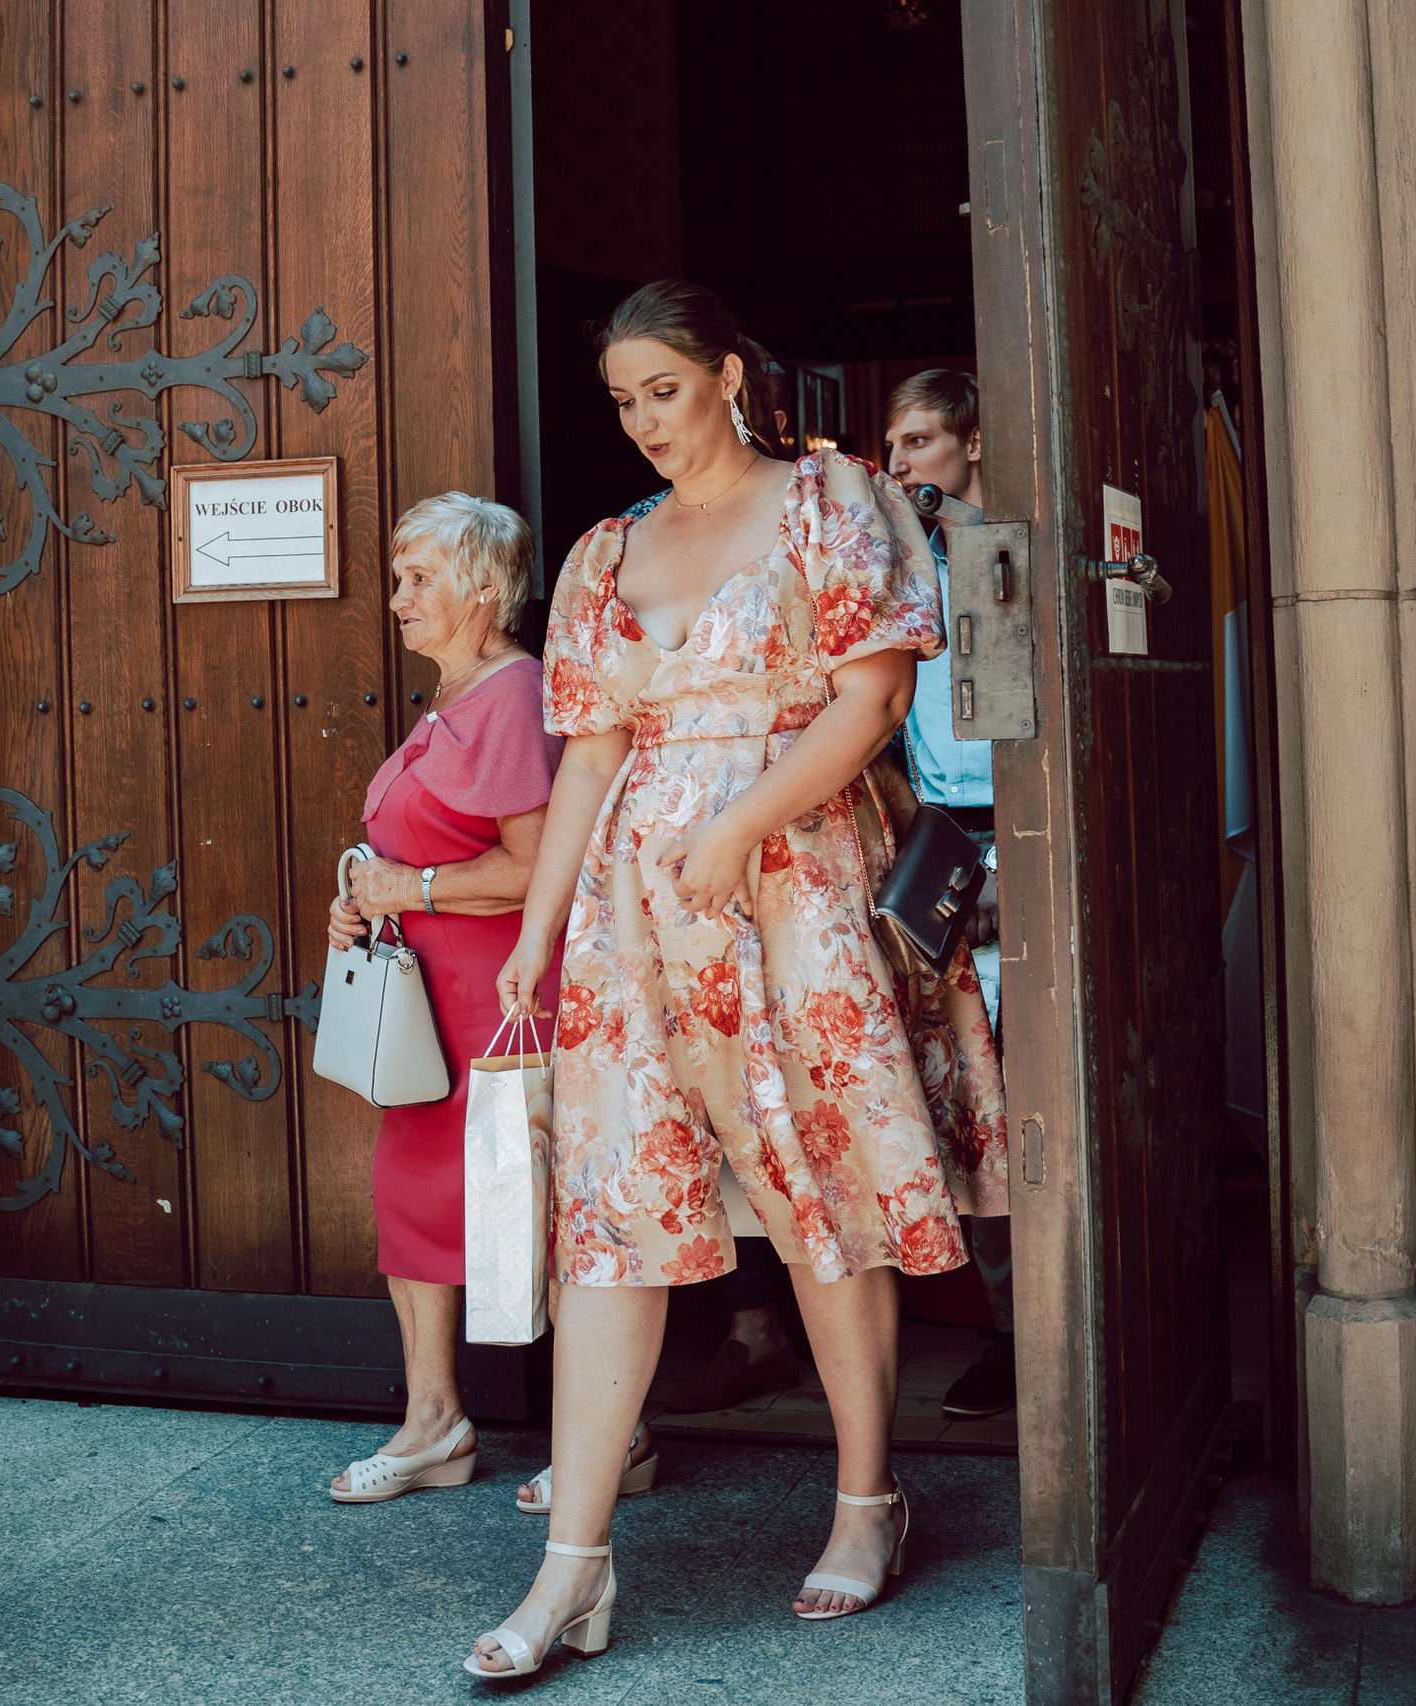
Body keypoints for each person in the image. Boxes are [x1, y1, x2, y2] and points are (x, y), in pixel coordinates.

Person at [469, 281, 1007, 1679]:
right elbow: (587, 755)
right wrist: (536, 927)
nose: (645, 419)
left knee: (821, 1192)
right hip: (632, 921)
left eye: (663, 387)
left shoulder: (833, 501)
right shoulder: (605, 552)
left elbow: (874, 699)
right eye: (624, 400)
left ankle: (867, 1499)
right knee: (617, 1215)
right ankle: (572, 1569)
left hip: (795, 889)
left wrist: (738, 823)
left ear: (724, 374)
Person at [325, 493, 569, 1504]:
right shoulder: (455, 693)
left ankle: (611, 1434)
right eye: (398, 576)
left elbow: (542, 864)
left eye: (418, 576)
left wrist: (406, 887)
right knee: (411, 1200)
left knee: (538, 1205)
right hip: (427, 1004)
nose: (397, 598)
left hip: (499, 996)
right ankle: (435, 1423)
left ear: (483, 585)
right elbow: (412, 842)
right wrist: (357, 891)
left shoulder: (512, 694)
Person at [882, 369, 1016, 1421]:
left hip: (1014, 839)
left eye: (920, 442)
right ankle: (1010, 1332)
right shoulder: (897, 572)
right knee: (965, 1109)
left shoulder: (999, 558)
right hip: (931, 846)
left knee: (1030, 1104)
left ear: (970, 443)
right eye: (892, 449)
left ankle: (1062, 1329)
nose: (900, 466)